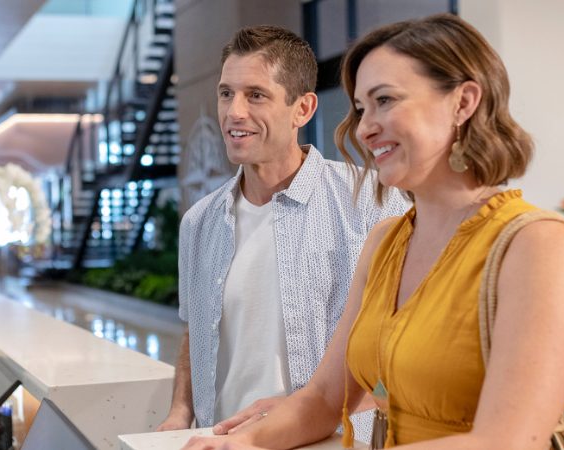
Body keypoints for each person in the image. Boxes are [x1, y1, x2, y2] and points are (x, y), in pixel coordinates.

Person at [181, 13, 564, 450]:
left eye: (386, 101)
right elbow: (322, 400)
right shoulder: (385, 242)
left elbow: (507, 441)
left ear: (464, 102)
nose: (364, 127)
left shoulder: (539, 245)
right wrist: (235, 445)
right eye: (361, 108)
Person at [156, 25, 408, 440]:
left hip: (333, 441)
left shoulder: (371, 202)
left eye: (255, 95)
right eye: (225, 93)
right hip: (222, 440)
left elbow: (402, 342)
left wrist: (320, 408)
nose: (234, 112)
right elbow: (195, 331)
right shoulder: (199, 221)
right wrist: (179, 413)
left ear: (303, 109)